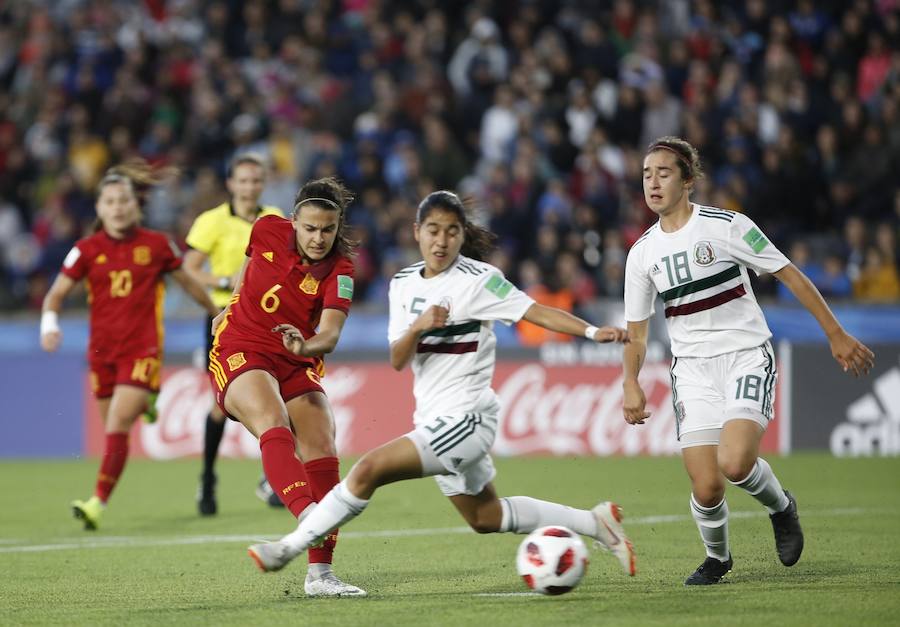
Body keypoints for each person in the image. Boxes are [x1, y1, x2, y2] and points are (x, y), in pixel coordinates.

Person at [245, 190, 637, 581]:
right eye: (433, 230)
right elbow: (399, 359)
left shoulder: (479, 281)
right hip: (433, 419)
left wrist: (590, 330)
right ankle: (596, 522)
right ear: (417, 232)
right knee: (486, 516)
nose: (442, 241)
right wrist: (418, 327)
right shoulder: (402, 284)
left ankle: (289, 548)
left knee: (368, 469)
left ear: (462, 235)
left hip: (467, 420)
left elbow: (534, 311)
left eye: (452, 231)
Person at [621, 136, 875, 585]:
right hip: (692, 369)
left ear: (688, 181)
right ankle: (718, 558)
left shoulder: (727, 226)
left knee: (735, 464)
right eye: (646, 174)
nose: (653, 182)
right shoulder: (642, 254)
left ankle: (782, 506)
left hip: (744, 356)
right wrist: (630, 381)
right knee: (707, 485)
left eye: (663, 173)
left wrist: (834, 333)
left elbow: (788, 272)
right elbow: (637, 331)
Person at [207, 177, 365, 597]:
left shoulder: (341, 271)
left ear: (338, 227)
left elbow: (330, 335)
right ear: (293, 221)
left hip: (297, 355)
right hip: (242, 345)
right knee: (272, 417)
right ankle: (310, 519)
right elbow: (250, 263)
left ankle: (321, 576)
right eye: (310, 228)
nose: (318, 238)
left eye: (328, 230)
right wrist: (231, 303)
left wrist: (305, 344)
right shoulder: (266, 228)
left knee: (321, 440)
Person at [40, 162, 220, 531]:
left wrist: (218, 312)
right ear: (99, 208)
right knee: (113, 433)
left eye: (124, 200)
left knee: (119, 423)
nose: (118, 207)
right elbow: (55, 294)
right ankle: (147, 402)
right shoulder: (85, 250)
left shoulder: (156, 245)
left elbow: (187, 282)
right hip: (102, 353)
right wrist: (49, 324)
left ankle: (96, 503)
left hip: (143, 349)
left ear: (135, 206)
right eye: (110, 201)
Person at [183, 153, 284, 515]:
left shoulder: (273, 217)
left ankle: (270, 475)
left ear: (263, 184)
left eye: (256, 180)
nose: (249, 187)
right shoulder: (211, 222)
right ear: (231, 184)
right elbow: (189, 269)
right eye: (243, 180)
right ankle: (208, 477)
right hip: (223, 319)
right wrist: (226, 282)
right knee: (221, 404)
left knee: (276, 394)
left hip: (264, 318)